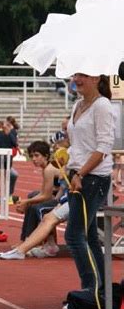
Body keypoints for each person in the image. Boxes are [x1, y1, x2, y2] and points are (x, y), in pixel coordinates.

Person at [64, 73, 114, 292]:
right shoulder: (78, 104)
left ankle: (90, 288)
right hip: (79, 175)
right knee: (90, 236)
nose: (77, 79)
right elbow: (80, 143)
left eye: (83, 75)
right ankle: (102, 289)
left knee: (74, 235)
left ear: (96, 79)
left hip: (92, 179)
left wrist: (80, 174)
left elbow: (103, 148)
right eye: (76, 75)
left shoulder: (102, 106)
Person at [0, 200, 69, 260]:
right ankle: (24, 246)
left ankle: (22, 249)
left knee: (47, 217)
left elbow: (47, 194)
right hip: (71, 199)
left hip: (76, 199)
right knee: (47, 217)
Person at [16, 140, 60, 241]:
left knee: (34, 207)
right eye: (32, 156)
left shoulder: (49, 169)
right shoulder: (45, 168)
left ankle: (29, 240)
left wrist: (26, 202)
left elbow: (47, 196)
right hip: (56, 196)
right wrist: (26, 202)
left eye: (37, 155)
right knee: (32, 196)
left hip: (62, 199)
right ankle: (26, 240)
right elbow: (43, 192)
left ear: (46, 156)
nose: (34, 159)